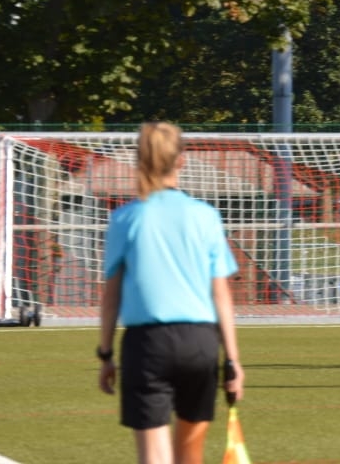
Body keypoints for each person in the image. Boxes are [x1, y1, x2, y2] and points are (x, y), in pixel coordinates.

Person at [97, 121, 245, 464]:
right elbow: (221, 295)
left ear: (139, 161)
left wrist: (105, 354)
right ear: (181, 160)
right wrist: (232, 360)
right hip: (200, 343)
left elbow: (111, 297)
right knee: (189, 454)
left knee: (155, 456)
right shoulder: (206, 216)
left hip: (148, 344)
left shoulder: (125, 218)